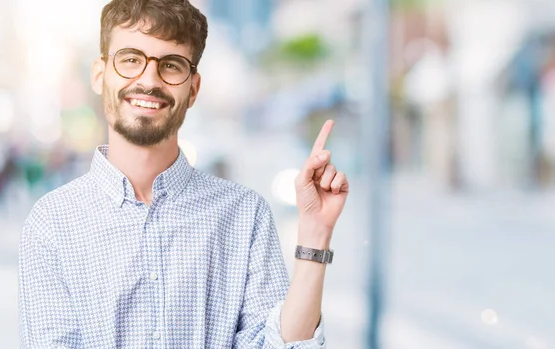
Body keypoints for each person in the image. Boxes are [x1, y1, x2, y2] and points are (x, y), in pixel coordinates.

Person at [18, 0, 349, 348]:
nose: (148, 80)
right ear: (100, 75)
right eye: (130, 59)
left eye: (171, 65)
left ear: (192, 89)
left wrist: (315, 232)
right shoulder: (51, 224)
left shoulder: (244, 215)